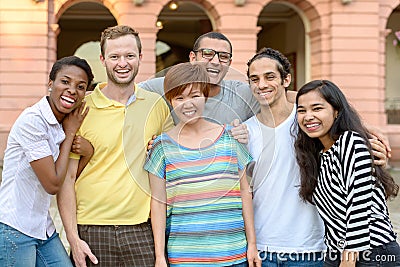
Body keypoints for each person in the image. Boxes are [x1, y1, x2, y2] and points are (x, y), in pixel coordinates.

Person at [57, 25, 173, 267]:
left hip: (142, 229)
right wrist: (73, 238)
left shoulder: (157, 106)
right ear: (103, 59)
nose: (123, 63)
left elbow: (170, 162)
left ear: (141, 57)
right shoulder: (81, 109)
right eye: (115, 56)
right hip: (91, 228)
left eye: (130, 56)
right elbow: (66, 179)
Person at [144, 62, 260, 267]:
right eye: (180, 97)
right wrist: (160, 256)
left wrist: (252, 243)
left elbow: (244, 192)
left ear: (205, 96)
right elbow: (158, 203)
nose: (188, 104)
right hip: (185, 257)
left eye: (195, 95)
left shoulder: (230, 137)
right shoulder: (161, 146)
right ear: (170, 101)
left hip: (233, 254)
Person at [294, 80, 400, 266]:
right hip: (337, 252)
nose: (308, 116)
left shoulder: (351, 142)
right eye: (302, 110)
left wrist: (348, 259)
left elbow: (359, 205)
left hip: (372, 252)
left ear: (336, 111)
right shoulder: (319, 155)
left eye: (317, 108)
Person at [0, 55, 93, 267]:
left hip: (43, 228)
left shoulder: (62, 122)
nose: (72, 90)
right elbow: (52, 184)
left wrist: (88, 153)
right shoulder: (33, 121)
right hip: (14, 229)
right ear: (51, 84)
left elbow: (65, 179)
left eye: (80, 86)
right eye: (65, 81)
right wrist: (70, 134)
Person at [244, 48, 325, 266]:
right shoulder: (245, 131)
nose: (261, 85)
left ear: (286, 79)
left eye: (269, 77)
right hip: (263, 249)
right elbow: (244, 191)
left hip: (310, 248)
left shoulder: (308, 121)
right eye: (255, 79)